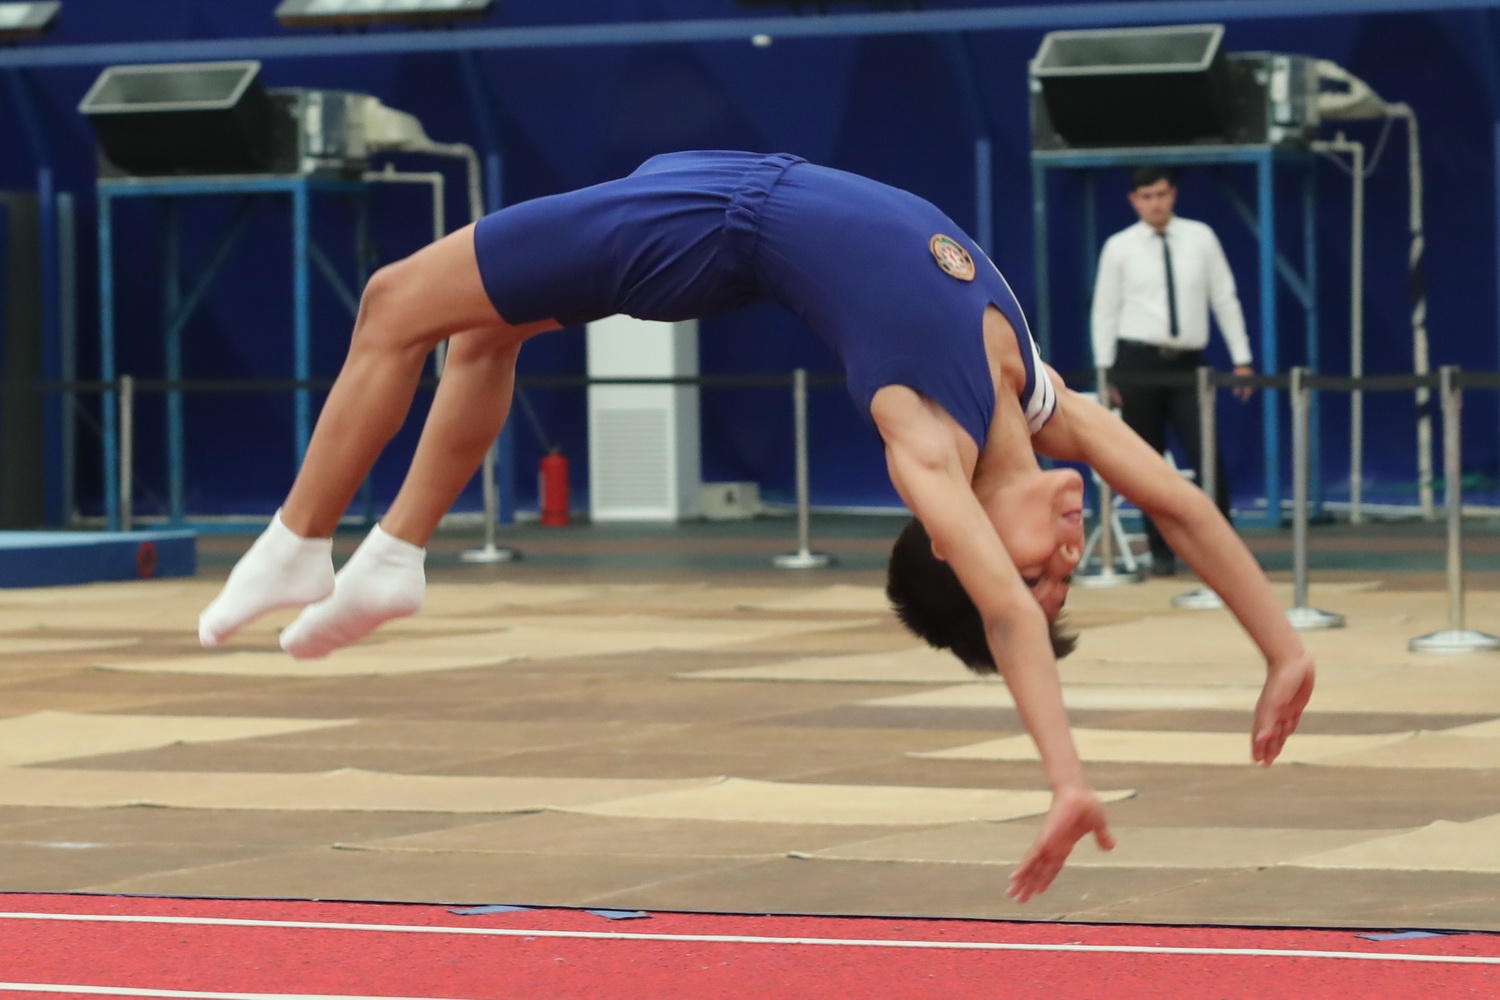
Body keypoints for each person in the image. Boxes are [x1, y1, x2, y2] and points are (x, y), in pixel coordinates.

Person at [196, 150, 1315, 902]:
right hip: (716, 185)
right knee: (481, 335)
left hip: (711, 228)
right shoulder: (1042, 403)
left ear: (956, 545)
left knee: (395, 299)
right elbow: (1181, 503)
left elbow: (1012, 627)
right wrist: (1281, 647)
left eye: (1041, 575)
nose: (1068, 554)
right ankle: (393, 555)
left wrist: (1066, 777)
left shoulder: (923, 438)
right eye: (1067, 572)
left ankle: (302, 538)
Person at [1090, 165, 1255, 577]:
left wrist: (1242, 357)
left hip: (1187, 363)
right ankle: (1161, 551)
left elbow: (1225, 297)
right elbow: (1105, 310)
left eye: (1161, 194)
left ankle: (1224, 550)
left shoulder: (1200, 237)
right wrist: (1105, 371)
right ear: (1133, 201)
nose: (1155, 203)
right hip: (1136, 363)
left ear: (1173, 195)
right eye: (1146, 197)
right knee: (1145, 463)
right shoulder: (1119, 247)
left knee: (1206, 456)